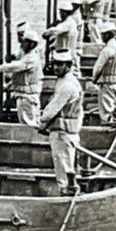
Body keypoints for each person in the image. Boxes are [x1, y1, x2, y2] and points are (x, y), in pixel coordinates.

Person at [37, 51, 85, 195]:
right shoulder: (68, 81)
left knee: (63, 173)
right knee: (68, 168)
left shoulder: (67, 86)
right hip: (68, 132)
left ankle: (65, 197)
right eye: (55, 64)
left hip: (62, 134)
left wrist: (40, 124)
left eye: (60, 64)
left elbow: (50, 112)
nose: (56, 68)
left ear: (69, 65)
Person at [0, 29, 43, 125]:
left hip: (27, 98)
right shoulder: (27, 55)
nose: (22, 44)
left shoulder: (31, 58)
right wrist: (8, 86)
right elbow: (20, 77)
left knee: (28, 126)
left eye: (25, 42)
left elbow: (16, 67)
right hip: (24, 96)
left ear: (31, 44)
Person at [90, 21, 116, 123]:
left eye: (102, 35)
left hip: (107, 84)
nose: (101, 37)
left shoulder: (107, 50)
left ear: (107, 34)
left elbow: (98, 68)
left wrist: (94, 80)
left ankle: (106, 131)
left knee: (106, 112)